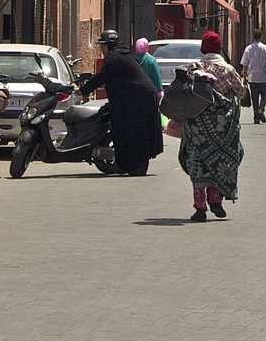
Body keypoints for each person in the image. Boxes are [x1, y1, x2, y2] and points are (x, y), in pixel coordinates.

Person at [180, 31, 248, 221]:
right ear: (219, 48)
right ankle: (216, 200)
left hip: (197, 130)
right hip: (222, 130)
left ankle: (200, 208)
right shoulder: (228, 69)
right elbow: (241, 93)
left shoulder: (194, 69)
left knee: (198, 164)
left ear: (203, 49)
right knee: (219, 161)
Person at [79, 29, 163, 175]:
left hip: (140, 100)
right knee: (130, 131)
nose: (102, 50)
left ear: (109, 45)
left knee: (134, 132)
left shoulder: (115, 58)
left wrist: (82, 91)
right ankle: (130, 165)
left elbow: (101, 77)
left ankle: (135, 166)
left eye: (103, 46)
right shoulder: (122, 55)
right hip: (139, 99)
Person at [239, 29, 266, 124]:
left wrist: (245, 77)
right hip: (263, 77)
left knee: (254, 98)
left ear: (253, 37)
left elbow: (245, 64)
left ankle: (256, 118)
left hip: (252, 78)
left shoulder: (248, 49)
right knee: (265, 95)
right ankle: (261, 108)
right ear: (261, 37)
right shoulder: (265, 48)